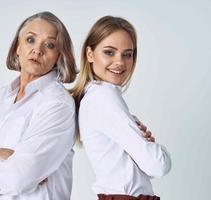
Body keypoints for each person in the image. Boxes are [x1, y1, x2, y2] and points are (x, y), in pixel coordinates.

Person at [0, 11, 77, 200]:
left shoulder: (58, 104)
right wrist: (2, 155)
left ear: (59, 56)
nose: (37, 50)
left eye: (50, 45)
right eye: (30, 40)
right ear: (17, 47)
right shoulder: (0, 97)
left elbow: (18, 177)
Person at [72, 16, 171, 200]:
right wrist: (153, 147)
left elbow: (143, 170)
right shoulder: (103, 97)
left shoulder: (96, 97)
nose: (120, 62)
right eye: (109, 52)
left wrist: (142, 146)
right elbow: (158, 166)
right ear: (90, 54)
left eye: (127, 54)